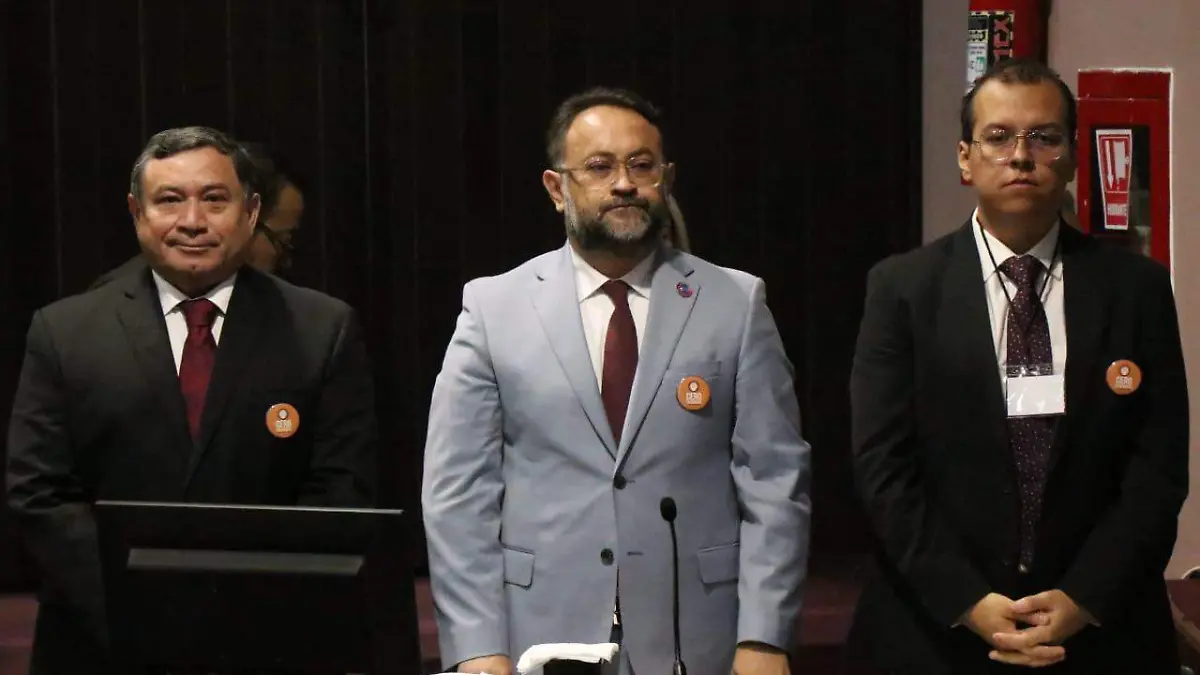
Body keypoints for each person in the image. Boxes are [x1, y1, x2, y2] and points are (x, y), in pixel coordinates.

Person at [421, 87, 811, 675]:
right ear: (557, 188)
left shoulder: (735, 302)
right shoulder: (493, 307)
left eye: (641, 165)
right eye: (600, 167)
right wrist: (476, 646)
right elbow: (458, 494)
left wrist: (765, 637)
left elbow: (774, 480)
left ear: (666, 179)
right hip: (540, 636)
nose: (624, 183)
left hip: (697, 636)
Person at [848, 59, 1187, 673]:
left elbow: (1157, 470)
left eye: (1044, 137)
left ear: (1073, 157)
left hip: (1100, 633)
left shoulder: (1136, 291)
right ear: (965, 158)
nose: (1021, 156)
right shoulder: (901, 290)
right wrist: (968, 601)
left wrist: (1085, 597)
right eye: (999, 137)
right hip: (935, 631)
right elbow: (883, 470)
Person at [6, 126, 377, 675]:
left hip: (269, 641)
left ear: (251, 212)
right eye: (169, 200)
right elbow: (39, 493)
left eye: (214, 199)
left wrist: (241, 608)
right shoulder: (65, 332)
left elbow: (341, 490)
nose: (192, 221)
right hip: (102, 640)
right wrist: (144, 606)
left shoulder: (322, 329)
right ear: (137, 212)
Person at [88, 141, 304, 290]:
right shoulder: (105, 307)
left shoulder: (298, 315)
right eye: (283, 241)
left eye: (213, 199)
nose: (193, 222)